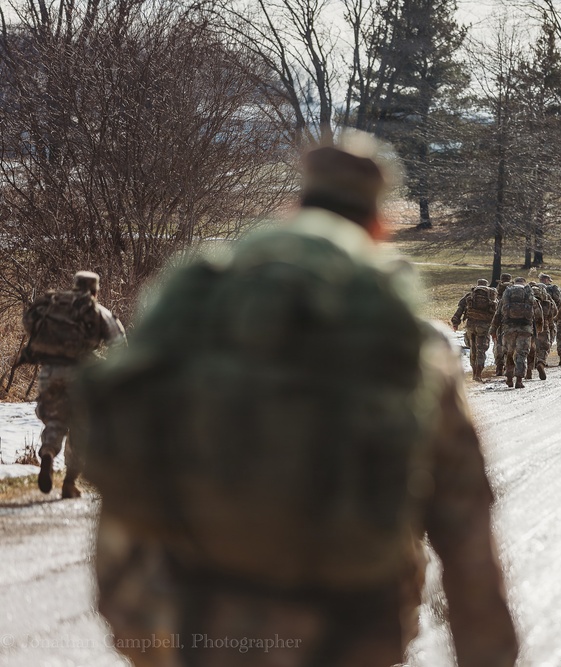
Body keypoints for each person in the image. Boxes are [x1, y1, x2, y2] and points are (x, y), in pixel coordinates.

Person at [76, 140, 519, 667]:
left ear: (295, 206)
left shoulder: (200, 305)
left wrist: (139, 631)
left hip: (192, 624)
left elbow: (126, 467)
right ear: (379, 225)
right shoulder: (396, 333)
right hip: (349, 633)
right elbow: (465, 526)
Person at [20, 270, 126, 498]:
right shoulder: (97, 311)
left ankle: (47, 453)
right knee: (81, 425)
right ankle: (69, 482)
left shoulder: (53, 305)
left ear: (75, 285)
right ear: (95, 290)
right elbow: (119, 344)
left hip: (50, 371)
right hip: (81, 376)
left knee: (55, 419)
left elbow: (28, 322)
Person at [452, 279, 497, 382]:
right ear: (487, 286)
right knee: (481, 349)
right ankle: (478, 374)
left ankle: (473, 372)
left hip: (471, 325)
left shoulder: (470, 296)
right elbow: (496, 312)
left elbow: (460, 309)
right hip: (484, 326)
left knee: (473, 349)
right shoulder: (491, 296)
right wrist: (496, 328)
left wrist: (455, 322)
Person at [527, 283, 555, 378]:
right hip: (544, 328)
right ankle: (541, 363)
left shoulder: (529, 302)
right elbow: (554, 313)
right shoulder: (548, 303)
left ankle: (529, 370)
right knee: (544, 348)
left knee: (531, 349)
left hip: (530, 328)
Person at [493, 273, 513, 376]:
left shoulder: (498, 290)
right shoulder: (513, 289)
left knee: (498, 344)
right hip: (511, 322)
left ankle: (499, 367)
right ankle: (508, 366)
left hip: (499, 321)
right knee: (510, 344)